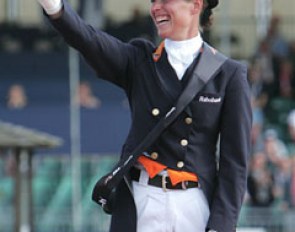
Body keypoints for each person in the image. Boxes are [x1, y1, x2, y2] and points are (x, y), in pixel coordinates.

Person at [36, 0, 252, 231]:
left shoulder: (228, 74)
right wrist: (54, 6)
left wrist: (221, 227)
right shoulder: (139, 60)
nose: (156, 7)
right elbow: (89, 40)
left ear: (195, 5)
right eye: (153, 1)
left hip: (194, 204)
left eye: (164, 0)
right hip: (142, 201)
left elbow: (235, 165)